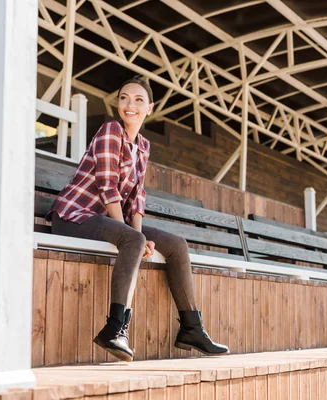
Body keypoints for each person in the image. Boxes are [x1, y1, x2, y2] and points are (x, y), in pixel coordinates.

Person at [47, 76, 229, 361]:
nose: (129, 105)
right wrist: (134, 237)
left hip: (105, 218)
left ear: (150, 108)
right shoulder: (110, 131)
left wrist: (139, 234)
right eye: (124, 98)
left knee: (177, 245)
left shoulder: (142, 145)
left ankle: (192, 328)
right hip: (74, 216)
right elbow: (108, 188)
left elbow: (137, 197)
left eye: (138, 100)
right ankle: (115, 329)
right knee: (133, 239)